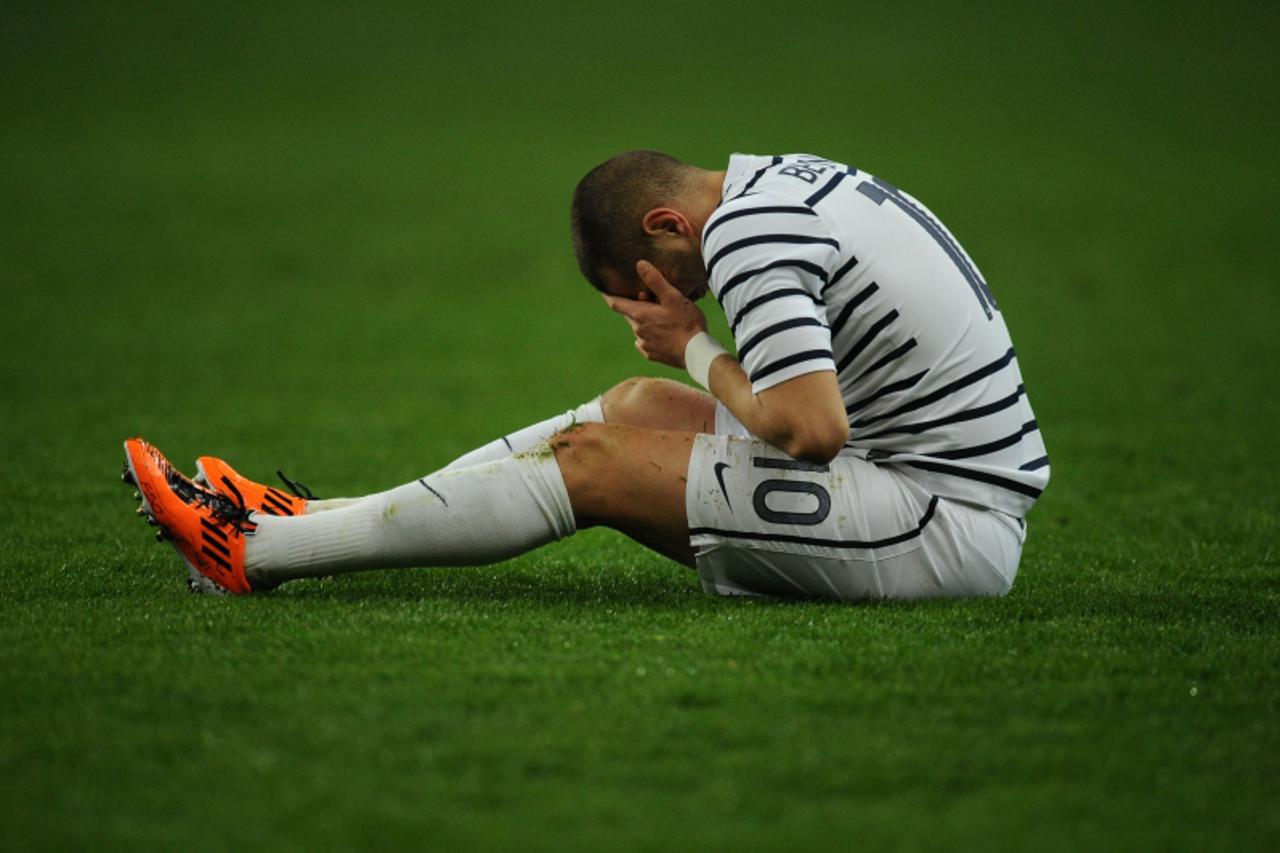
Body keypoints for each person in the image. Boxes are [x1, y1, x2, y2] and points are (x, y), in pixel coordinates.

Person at [123, 150, 1049, 600]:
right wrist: (687, 353)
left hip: (945, 520)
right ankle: (308, 517)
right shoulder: (779, 179)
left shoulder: (748, 234)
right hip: (916, 476)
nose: (671, 296)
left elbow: (812, 428)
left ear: (664, 226)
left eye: (656, 283)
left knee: (592, 464)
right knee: (633, 405)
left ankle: (255, 554)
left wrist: (692, 341)